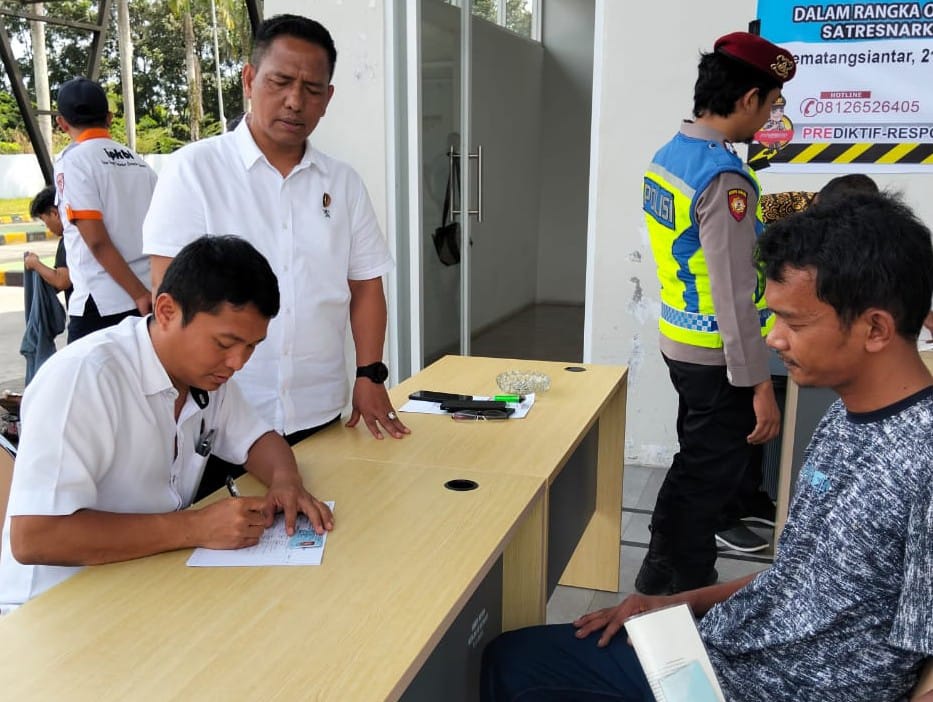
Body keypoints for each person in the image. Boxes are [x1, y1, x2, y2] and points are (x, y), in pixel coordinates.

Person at [481, 190, 933, 702]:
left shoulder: (923, 457)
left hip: (767, 688)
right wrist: (678, 604)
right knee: (511, 659)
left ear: (875, 328)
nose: (774, 339)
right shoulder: (846, 417)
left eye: (795, 322)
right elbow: (797, 579)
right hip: (728, 654)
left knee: (522, 677)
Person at [142, 15, 408, 495]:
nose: (294, 100)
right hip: (217, 426)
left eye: (311, 88)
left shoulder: (342, 183)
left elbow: (366, 285)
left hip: (320, 412)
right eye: (280, 82)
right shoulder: (195, 171)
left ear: (327, 99)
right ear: (249, 79)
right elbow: (170, 301)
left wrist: (370, 373)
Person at [0, 236, 334, 614]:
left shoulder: (206, 375)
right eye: (226, 343)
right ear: (166, 311)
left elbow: (259, 440)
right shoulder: (84, 379)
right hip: (50, 610)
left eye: (252, 346)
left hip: (143, 581)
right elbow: (35, 538)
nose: (238, 362)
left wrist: (285, 482)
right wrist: (195, 527)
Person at [639, 32, 795, 592]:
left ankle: (659, 569)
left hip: (680, 339)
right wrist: (757, 386)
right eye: (773, 104)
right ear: (749, 98)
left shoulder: (672, 157)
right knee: (713, 477)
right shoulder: (724, 178)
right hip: (719, 356)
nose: (771, 117)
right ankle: (688, 587)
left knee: (696, 461)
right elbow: (732, 292)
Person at [54, 77, 157, 343]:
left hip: (101, 301)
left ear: (61, 122)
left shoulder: (74, 161)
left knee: (84, 383)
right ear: (110, 117)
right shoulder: (139, 163)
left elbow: (96, 241)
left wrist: (137, 293)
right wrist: (145, 293)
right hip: (146, 297)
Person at [25, 184, 72, 306]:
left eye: (43, 219)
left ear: (54, 213)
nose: (47, 226)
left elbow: (62, 281)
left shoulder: (68, 240)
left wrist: (35, 264)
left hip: (86, 315)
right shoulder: (81, 231)